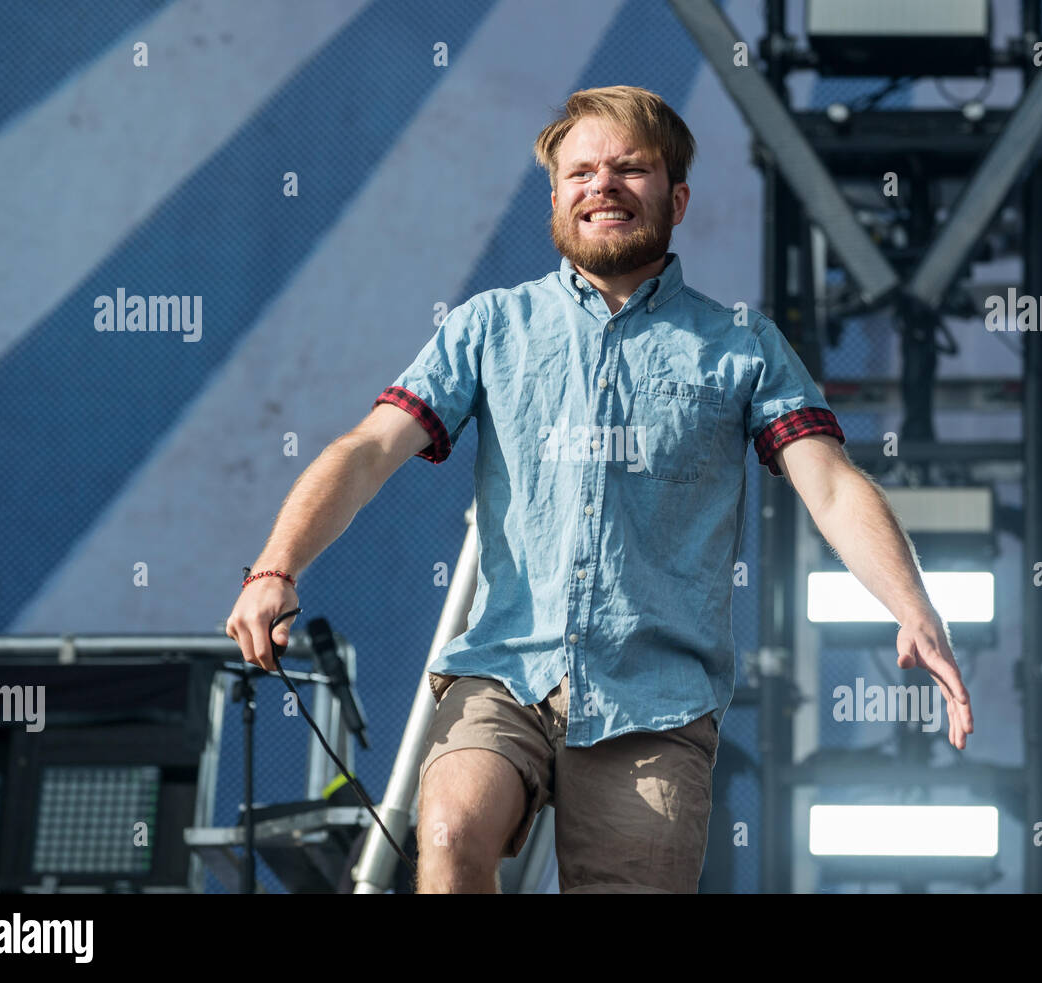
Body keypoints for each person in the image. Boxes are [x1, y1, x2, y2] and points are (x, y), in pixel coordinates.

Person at [226, 85, 973, 894]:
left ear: (677, 198)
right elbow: (370, 449)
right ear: (554, 198)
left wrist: (912, 603)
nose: (603, 185)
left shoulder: (742, 344)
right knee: (447, 832)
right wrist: (276, 566)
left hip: (656, 697)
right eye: (580, 171)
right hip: (504, 673)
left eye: (631, 169)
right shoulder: (489, 326)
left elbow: (829, 483)